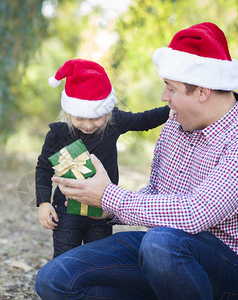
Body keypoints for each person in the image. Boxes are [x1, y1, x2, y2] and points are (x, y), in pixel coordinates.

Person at [35, 22, 238, 300]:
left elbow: (195, 213)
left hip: (228, 268)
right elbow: (157, 195)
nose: (165, 98)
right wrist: (102, 208)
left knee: (161, 243)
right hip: (160, 255)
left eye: (171, 89)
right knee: (54, 278)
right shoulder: (177, 124)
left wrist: (109, 197)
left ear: (202, 92)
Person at [36, 58, 171, 258]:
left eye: (97, 117)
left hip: (102, 209)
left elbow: (144, 120)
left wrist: (172, 110)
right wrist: (43, 203)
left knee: (96, 258)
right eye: (80, 118)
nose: (89, 125)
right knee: (65, 257)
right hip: (66, 210)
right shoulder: (59, 134)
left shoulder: (114, 123)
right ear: (68, 111)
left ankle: (92, 289)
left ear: (107, 111)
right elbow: (44, 168)